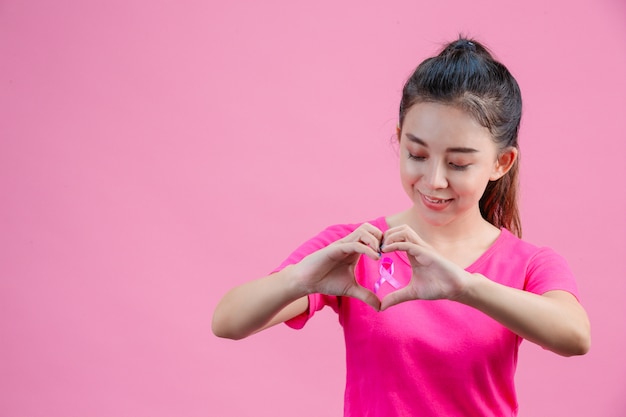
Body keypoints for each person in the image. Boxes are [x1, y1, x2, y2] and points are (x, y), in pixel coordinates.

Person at [212, 37, 591, 416]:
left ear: (501, 163)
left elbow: (575, 336)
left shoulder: (529, 263)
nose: (434, 179)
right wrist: (297, 280)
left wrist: (467, 288)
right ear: (399, 139)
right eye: (417, 154)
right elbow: (227, 321)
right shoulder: (355, 248)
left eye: (458, 163)